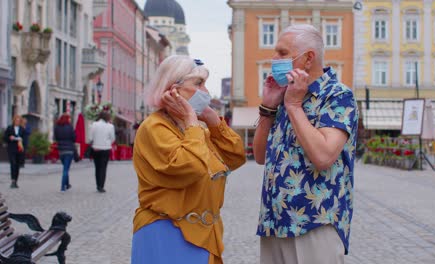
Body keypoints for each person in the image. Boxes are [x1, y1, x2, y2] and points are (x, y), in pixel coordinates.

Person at [252, 24, 359, 264]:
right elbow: (260, 156)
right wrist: (269, 107)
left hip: (315, 222)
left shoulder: (337, 95)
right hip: (274, 221)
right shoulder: (285, 95)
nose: (274, 59)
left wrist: (294, 106)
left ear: (308, 58)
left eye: (282, 53)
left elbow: (323, 156)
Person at [131, 55, 246, 264]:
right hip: (168, 232)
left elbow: (235, 156)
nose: (206, 92)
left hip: (202, 233)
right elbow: (190, 167)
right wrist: (192, 120)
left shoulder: (195, 130)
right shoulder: (155, 127)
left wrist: (212, 122)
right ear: (173, 89)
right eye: (198, 84)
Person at [89, 111, 115, 193]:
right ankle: (101, 186)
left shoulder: (94, 125)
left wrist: (95, 142)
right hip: (106, 149)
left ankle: (98, 185)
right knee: (103, 168)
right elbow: (113, 138)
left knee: (97, 167)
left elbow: (90, 138)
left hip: (96, 148)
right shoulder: (110, 126)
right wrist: (107, 143)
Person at [54, 114, 76, 192]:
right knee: (66, 169)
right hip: (69, 150)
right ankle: (63, 187)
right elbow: (74, 138)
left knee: (66, 168)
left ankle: (67, 184)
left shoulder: (57, 127)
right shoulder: (70, 127)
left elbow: (56, 137)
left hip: (61, 150)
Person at [3, 115, 25, 188]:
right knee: (13, 164)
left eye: (19, 121)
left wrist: (21, 139)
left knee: (17, 165)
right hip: (11, 149)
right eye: (16, 120)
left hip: (19, 149)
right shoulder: (9, 128)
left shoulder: (22, 129)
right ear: (14, 121)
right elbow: (5, 138)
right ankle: (12, 180)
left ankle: (16, 181)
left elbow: (25, 139)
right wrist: (10, 138)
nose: (17, 122)